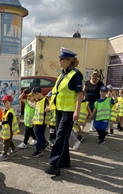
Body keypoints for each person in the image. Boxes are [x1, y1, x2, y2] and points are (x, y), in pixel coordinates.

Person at [46, 47, 83, 176]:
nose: (60, 61)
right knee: (63, 137)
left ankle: (54, 165)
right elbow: (57, 92)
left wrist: (77, 111)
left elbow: (80, 94)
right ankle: (65, 161)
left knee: (60, 137)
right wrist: (50, 106)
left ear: (69, 60)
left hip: (69, 111)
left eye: (62, 59)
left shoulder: (75, 74)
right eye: (60, 59)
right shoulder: (62, 74)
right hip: (59, 110)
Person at [0, 94, 20, 161]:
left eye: (5, 101)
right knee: (9, 141)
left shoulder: (10, 112)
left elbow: (8, 121)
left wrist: (1, 123)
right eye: (3, 101)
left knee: (5, 143)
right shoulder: (5, 110)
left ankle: (4, 154)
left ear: (10, 102)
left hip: (9, 130)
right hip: (6, 130)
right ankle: (14, 150)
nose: (4, 103)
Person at [32, 87, 51, 157]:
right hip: (38, 121)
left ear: (37, 93)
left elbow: (50, 106)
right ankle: (45, 143)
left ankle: (38, 150)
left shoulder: (45, 99)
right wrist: (33, 119)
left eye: (34, 95)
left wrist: (48, 108)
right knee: (38, 134)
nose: (33, 97)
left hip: (42, 122)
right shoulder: (38, 101)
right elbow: (36, 112)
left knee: (39, 136)